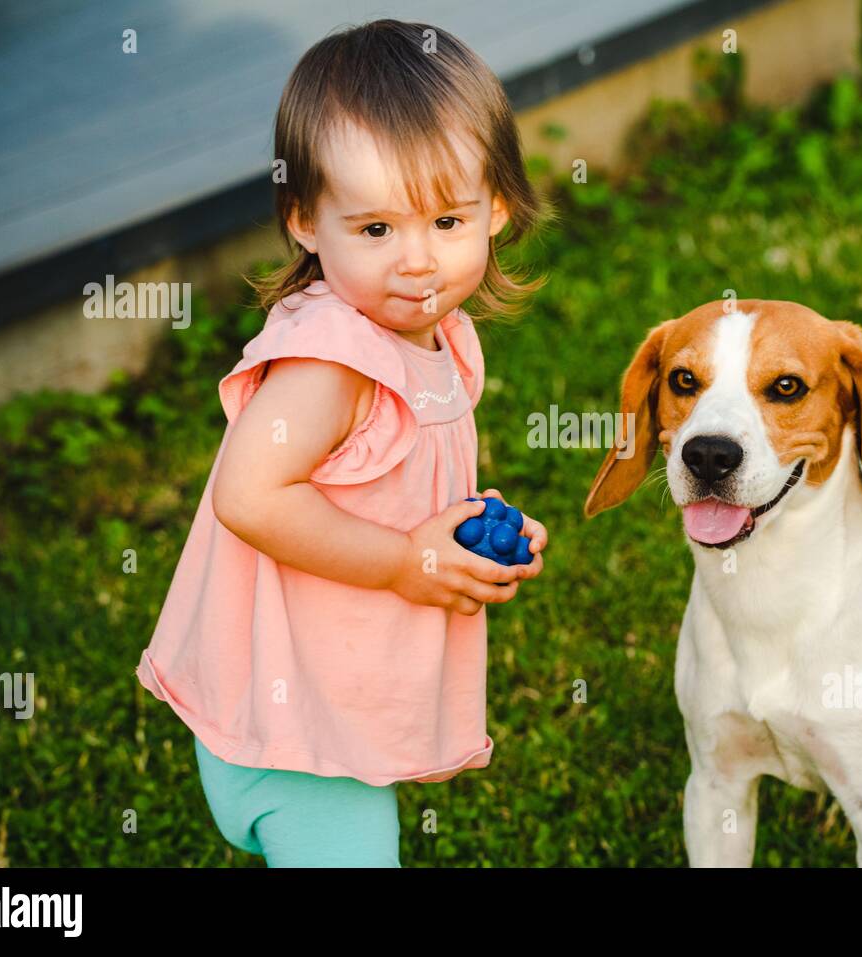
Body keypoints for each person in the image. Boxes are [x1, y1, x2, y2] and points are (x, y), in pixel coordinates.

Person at [135, 18, 549, 867]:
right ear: (304, 220)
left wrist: (472, 528)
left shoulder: (438, 337)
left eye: (445, 219)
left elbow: (387, 477)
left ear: (497, 206)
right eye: (374, 230)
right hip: (293, 723)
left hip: (329, 701)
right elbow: (249, 495)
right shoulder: (332, 361)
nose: (418, 261)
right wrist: (403, 561)